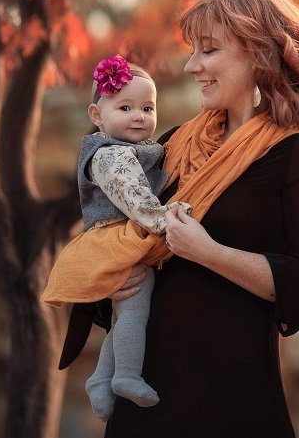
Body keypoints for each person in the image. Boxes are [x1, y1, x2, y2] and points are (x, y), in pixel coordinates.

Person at [57, 0, 299, 438]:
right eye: (193, 51)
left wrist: (208, 252)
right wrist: (116, 271)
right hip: (143, 396)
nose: (192, 66)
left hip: (231, 398)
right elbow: (113, 222)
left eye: (208, 50)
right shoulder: (169, 144)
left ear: (258, 53)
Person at [41, 55, 191, 420]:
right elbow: (136, 199)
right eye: (125, 107)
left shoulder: (130, 148)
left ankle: (101, 377)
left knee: (129, 312)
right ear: (97, 115)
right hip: (116, 238)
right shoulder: (111, 155)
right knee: (135, 312)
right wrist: (168, 218)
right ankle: (125, 375)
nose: (139, 116)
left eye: (147, 107)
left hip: (120, 235)